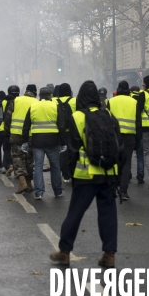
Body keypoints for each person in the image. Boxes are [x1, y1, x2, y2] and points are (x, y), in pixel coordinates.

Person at [49, 80, 121, 268]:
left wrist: (71, 175)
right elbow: (118, 145)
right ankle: (109, 254)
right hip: (108, 173)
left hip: (85, 175)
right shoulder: (109, 115)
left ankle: (64, 252)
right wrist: (117, 173)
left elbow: (72, 151)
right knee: (108, 215)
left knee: (75, 214)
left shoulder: (78, 117)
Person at [22, 87, 63, 200]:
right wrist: (63, 142)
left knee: (38, 166)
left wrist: (25, 141)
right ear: (50, 96)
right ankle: (58, 191)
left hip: (37, 141)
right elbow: (61, 125)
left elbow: (26, 126)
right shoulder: (55, 106)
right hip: (53, 141)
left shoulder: (33, 106)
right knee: (55, 166)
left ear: (39, 95)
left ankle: (39, 192)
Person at [109, 80, 141, 200]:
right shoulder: (134, 102)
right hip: (129, 136)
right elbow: (138, 122)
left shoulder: (111, 101)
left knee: (114, 161)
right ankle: (124, 191)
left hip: (114, 136)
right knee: (127, 163)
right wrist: (138, 139)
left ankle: (114, 186)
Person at [6, 84, 37, 194]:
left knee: (18, 158)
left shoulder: (16, 100)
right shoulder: (36, 102)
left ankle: (22, 183)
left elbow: (8, 117)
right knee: (29, 159)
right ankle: (29, 184)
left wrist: (7, 132)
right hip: (31, 136)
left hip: (16, 135)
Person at [55, 83, 76, 183]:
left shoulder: (54, 101)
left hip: (59, 132)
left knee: (62, 153)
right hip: (72, 132)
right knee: (73, 152)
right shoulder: (74, 100)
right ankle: (73, 172)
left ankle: (65, 175)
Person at [3, 85, 20, 177]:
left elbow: (4, 116)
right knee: (18, 152)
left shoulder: (4, 102)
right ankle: (18, 170)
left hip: (8, 129)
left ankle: (9, 164)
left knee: (6, 149)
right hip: (20, 130)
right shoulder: (20, 101)